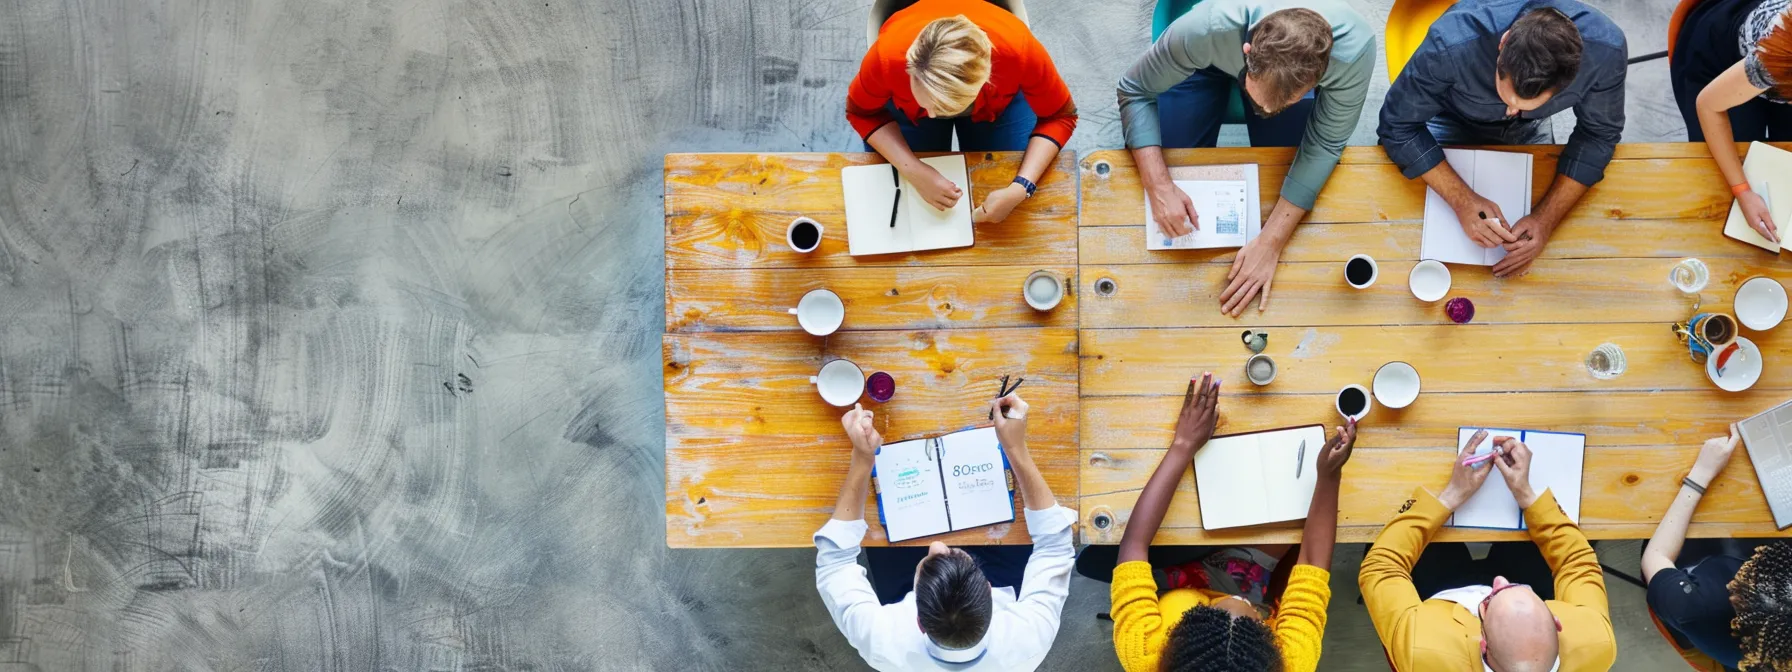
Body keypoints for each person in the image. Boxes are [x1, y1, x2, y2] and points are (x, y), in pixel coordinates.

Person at [1116, 0, 1376, 316]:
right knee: (1172, 164)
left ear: (1320, 77)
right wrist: (1158, 185)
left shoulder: (1355, 50)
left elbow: (1325, 144)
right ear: (1248, 50)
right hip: (1207, 58)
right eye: (1260, 99)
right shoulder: (1205, 26)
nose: (1264, 111)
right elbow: (1133, 90)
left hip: (1278, 69)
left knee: (1284, 176)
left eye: (1283, 102)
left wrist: (1271, 242)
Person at [1100, 372, 1356, 672]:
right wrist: (1329, 476)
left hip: (1172, 583)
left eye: (1205, 612)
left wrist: (1183, 444)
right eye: (1254, 617)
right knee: (1289, 516)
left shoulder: (1142, 652)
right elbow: (1312, 564)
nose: (1239, 599)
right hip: (1244, 575)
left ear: (1176, 641)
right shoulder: (1294, 662)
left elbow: (1133, 545)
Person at [813, 396, 1075, 671]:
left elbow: (835, 563)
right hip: (997, 574)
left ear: (918, 621)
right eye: (957, 555)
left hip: (908, 582)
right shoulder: (1027, 639)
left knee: (883, 537)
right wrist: (1015, 448)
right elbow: (1055, 544)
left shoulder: (882, 639)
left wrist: (863, 458)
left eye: (931, 558)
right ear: (988, 590)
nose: (937, 544)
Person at [1378, 0, 1626, 279]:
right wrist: (1461, 199)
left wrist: (1546, 220)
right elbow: (1397, 124)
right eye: (1506, 96)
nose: (1510, 111)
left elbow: (1598, 134)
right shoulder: (1451, 43)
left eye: (1523, 105)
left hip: (1531, 130)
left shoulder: (1607, 52)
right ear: (1504, 42)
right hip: (1448, 117)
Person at [1360, 431, 1617, 671]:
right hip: (1522, 592)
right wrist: (1526, 494)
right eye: (1513, 587)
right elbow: (1577, 563)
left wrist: (1450, 497)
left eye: (1491, 599)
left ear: (1481, 642)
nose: (1499, 580)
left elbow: (1381, 567)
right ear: (1557, 623)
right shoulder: (1595, 641)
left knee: (1395, 535)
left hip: (1440, 595)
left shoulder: (1424, 649)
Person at [847, 0, 1077, 224]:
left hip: (998, 104)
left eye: (946, 107)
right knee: (898, 192)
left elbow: (1061, 116)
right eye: (927, 102)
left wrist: (1021, 187)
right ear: (909, 67)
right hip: (906, 107)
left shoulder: (1019, 52)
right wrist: (914, 171)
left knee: (1005, 183)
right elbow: (860, 112)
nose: (934, 116)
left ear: (986, 80)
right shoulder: (886, 59)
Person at [1642, 426, 1792, 671]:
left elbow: (1655, 557)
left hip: (1682, 565)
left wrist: (1700, 474)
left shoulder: (1697, 608)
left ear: (1740, 594)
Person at [1672, 0, 1792, 245]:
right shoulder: (1772, 60)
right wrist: (1743, 191)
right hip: (1719, 59)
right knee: (1726, 177)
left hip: (1772, 76)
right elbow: (1708, 106)